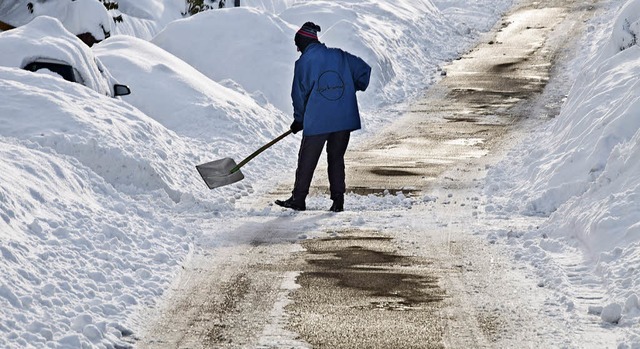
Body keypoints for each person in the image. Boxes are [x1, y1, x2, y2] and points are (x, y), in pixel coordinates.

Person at [275, 21, 371, 212]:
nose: (296, 49)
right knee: (336, 158)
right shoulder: (339, 55)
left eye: (297, 44)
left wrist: (299, 120)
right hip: (343, 120)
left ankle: (298, 199)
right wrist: (352, 87)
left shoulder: (304, 63)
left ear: (303, 42)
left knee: (307, 160)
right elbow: (364, 71)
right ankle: (338, 200)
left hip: (318, 121)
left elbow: (299, 95)